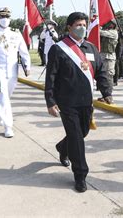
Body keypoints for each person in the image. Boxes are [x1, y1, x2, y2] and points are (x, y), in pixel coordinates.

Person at [44, 12, 112, 193]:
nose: (82, 28)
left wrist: (106, 92)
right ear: (69, 27)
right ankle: (80, 175)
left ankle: (62, 147)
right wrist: (50, 101)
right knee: (76, 137)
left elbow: (101, 71)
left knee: (82, 132)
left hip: (86, 101)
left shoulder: (91, 48)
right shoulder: (58, 49)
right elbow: (50, 77)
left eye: (84, 25)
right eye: (78, 25)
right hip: (67, 102)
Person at [0, 7, 31, 138]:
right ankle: (8, 126)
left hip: (12, 70)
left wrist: (27, 65)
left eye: (7, 17)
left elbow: (23, 50)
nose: (5, 20)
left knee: (6, 95)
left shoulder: (16, 33)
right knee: (3, 95)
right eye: (2, 17)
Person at [99, 20, 118, 90]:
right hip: (102, 55)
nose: (108, 24)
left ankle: (109, 93)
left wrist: (96, 28)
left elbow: (102, 33)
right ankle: (104, 94)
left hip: (109, 57)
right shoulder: (106, 30)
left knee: (109, 76)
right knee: (103, 76)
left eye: (110, 23)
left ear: (113, 25)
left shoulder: (113, 32)